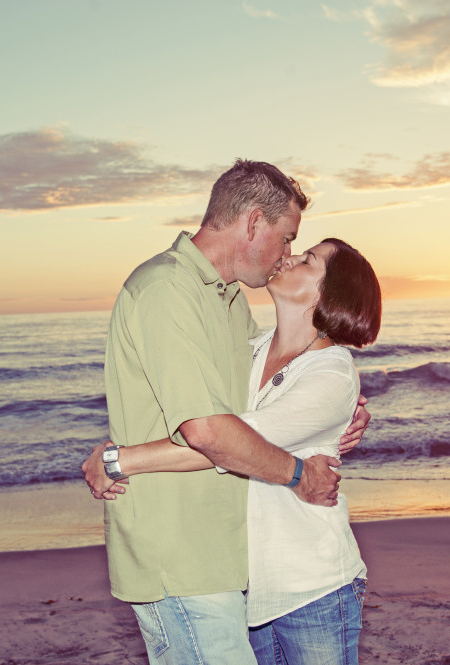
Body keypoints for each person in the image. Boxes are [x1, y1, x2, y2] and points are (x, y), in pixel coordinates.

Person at [84, 159, 371, 665]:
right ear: (254, 222)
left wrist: (346, 410)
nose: (286, 255)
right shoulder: (166, 291)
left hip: (234, 564)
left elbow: (250, 418)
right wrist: (299, 473)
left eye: (300, 252)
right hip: (180, 553)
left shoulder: (231, 306)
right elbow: (212, 432)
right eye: (287, 239)